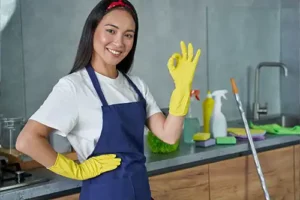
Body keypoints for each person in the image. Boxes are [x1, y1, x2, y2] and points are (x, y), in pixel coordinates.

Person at [16, 0, 201, 199]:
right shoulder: (74, 87)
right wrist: (76, 170)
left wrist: (182, 89)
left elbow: (169, 135)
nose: (119, 42)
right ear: (92, 30)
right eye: (111, 31)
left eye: (128, 35)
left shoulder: (136, 85)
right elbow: (27, 140)